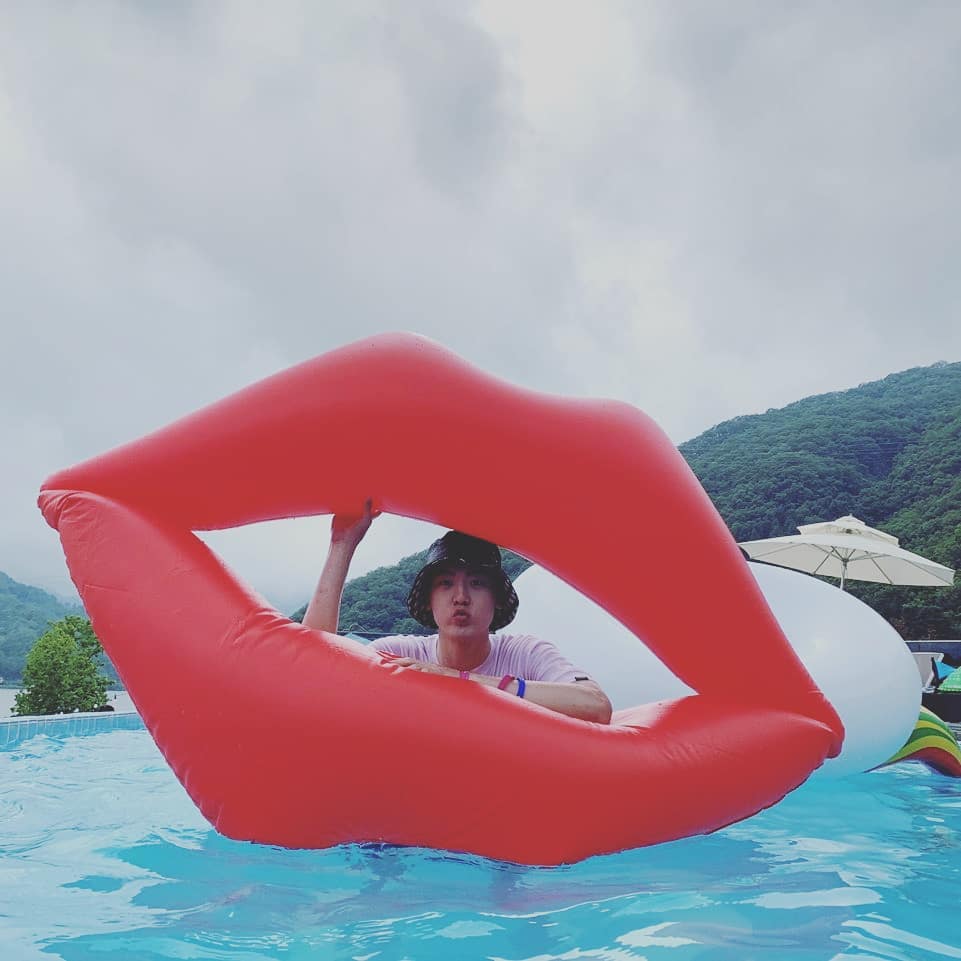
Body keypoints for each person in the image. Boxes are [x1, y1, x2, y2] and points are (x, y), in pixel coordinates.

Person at [303, 501, 613, 724]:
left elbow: (596, 705)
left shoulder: (526, 654)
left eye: (477, 583)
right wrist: (342, 543)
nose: (461, 597)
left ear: (496, 599)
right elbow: (312, 670)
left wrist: (459, 680)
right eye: (446, 583)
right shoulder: (399, 654)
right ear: (429, 600)